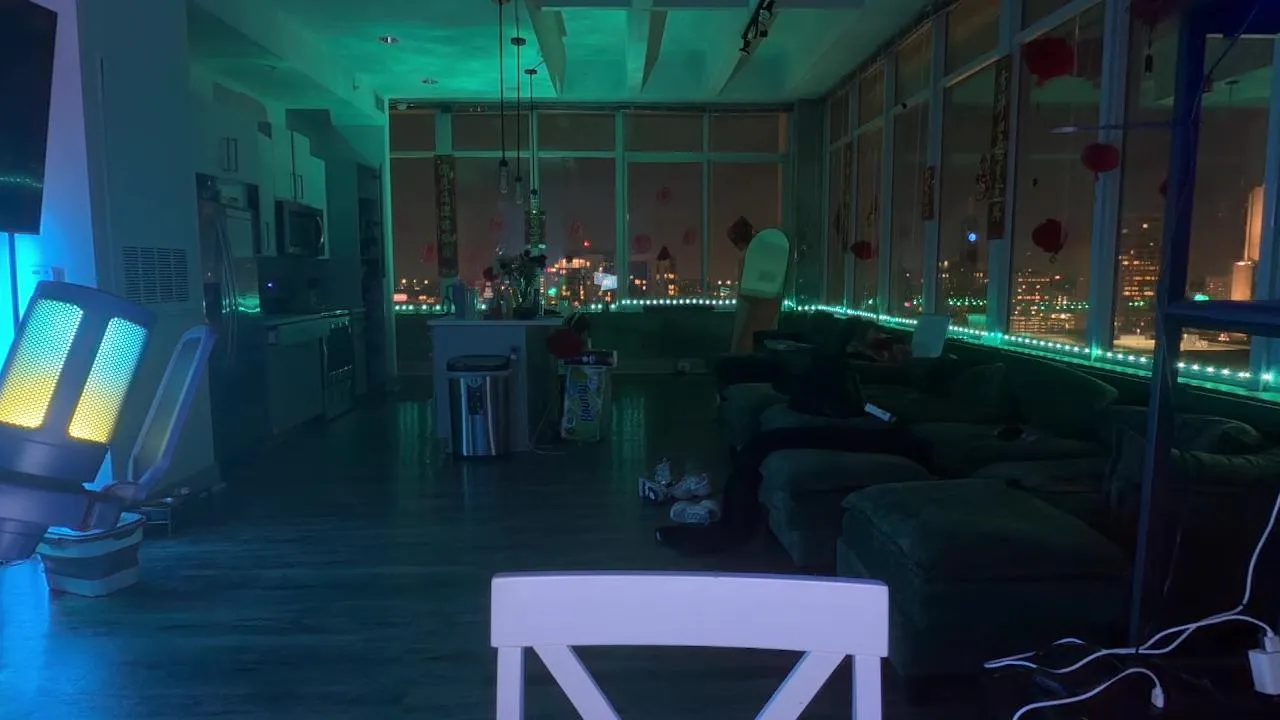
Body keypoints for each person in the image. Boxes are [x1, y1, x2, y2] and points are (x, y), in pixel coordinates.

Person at [655, 422, 915, 555]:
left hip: (906, 439)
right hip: (897, 427)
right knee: (760, 444)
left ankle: (732, 530)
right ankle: (730, 525)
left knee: (761, 445)